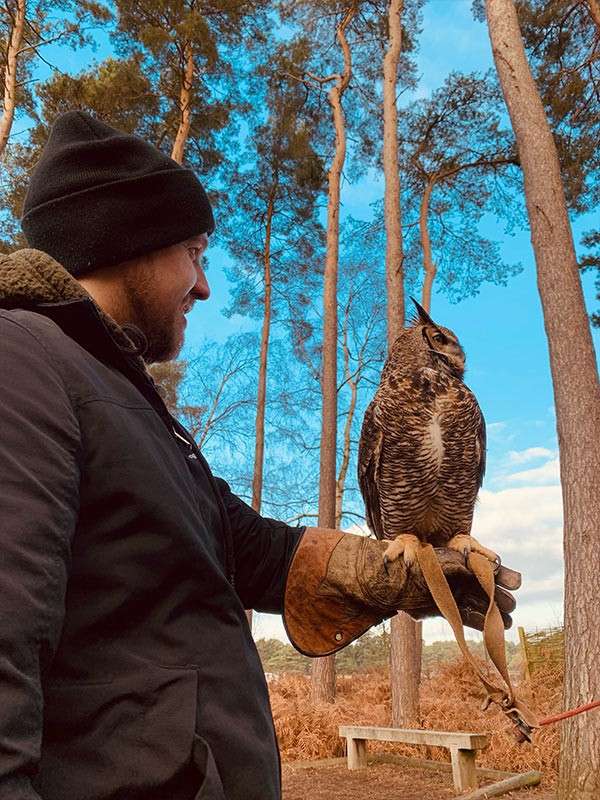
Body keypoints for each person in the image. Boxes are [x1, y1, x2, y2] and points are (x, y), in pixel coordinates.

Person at [0, 111, 519, 800]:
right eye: (195, 251)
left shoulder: (123, 399)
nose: (205, 285)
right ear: (131, 244)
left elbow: (245, 547)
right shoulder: (23, 360)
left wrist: (385, 574)